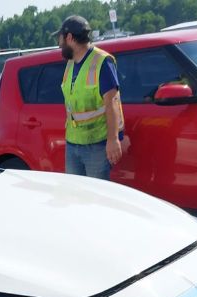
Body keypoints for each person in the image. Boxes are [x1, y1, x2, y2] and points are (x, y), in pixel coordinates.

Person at [53, 16, 128, 180]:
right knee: (76, 194)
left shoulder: (102, 62)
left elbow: (112, 103)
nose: (59, 45)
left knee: (96, 197)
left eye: (61, 39)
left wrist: (114, 139)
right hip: (73, 144)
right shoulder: (70, 63)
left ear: (70, 38)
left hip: (96, 146)